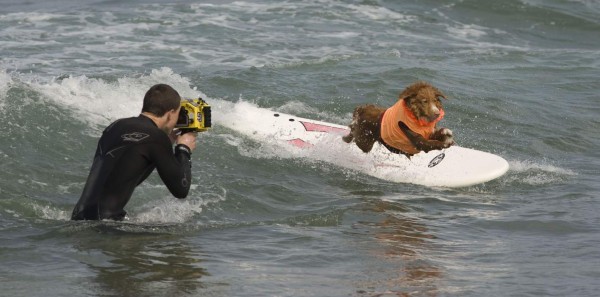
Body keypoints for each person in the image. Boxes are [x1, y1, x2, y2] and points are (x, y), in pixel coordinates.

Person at [71, 84, 198, 221]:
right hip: (106, 226)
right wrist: (183, 149)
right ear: (170, 113)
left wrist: (165, 145)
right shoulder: (156, 138)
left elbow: (123, 177)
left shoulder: (115, 126)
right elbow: (181, 189)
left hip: (79, 217)